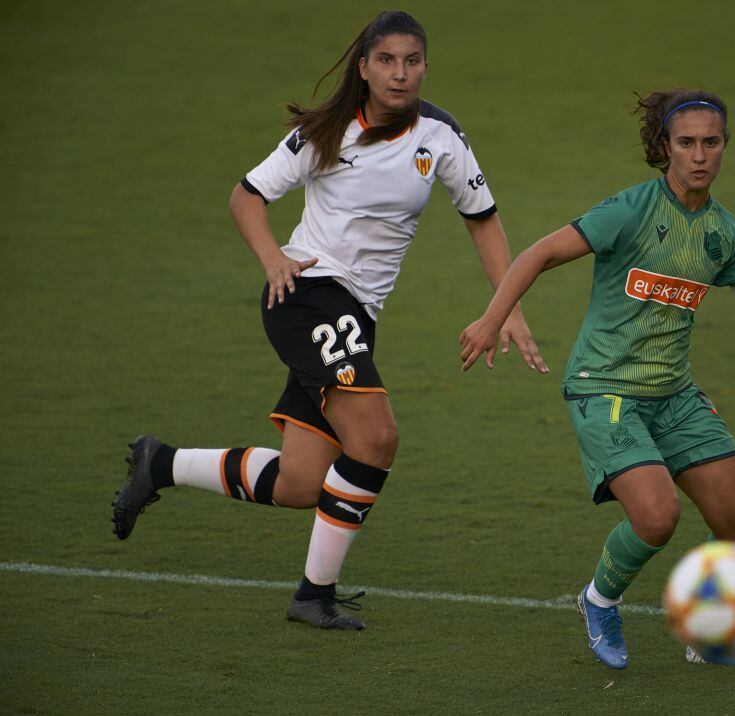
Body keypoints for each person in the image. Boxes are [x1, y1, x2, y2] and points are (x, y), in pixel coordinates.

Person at [110, 10, 547, 631]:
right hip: (308, 293)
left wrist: (507, 309)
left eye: (413, 61)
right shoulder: (326, 131)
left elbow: (483, 219)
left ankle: (161, 464)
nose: (401, 74)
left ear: (426, 65)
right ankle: (314, 594)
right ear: (364, 67)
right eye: (388, 61)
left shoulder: (441, 136)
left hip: (356, 316)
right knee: (376, 438)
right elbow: (247, 196)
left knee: (300, 481)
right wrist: (272, 259)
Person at [459, 89, 735, 669]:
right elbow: (540, 253)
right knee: (656, 516)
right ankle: (598, 601)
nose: (699, 155)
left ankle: (707, 636)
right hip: (604, 388)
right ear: (665, 146)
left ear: (724, 147)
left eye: (711, 143)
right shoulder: (631, 210)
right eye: (687, 143)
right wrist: (493, 319)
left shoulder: (726, 236)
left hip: (673, 395)